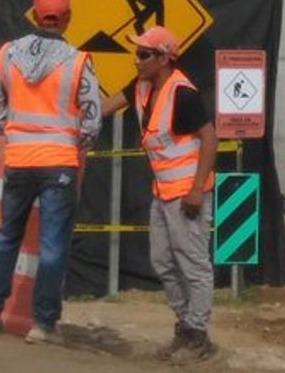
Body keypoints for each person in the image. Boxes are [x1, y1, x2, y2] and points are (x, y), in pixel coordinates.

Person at [0, 0, 102, 343]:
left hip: (18, 159)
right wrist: (76, 143)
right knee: (52, 245)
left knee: (5, 238)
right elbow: (92, 120)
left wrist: (16, 130)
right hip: (59, 163)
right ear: (67, 18)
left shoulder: (7, 54)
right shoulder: (78, 61)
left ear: (34, 13)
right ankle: (43, 324)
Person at [101, 25, 218, 362]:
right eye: (137, 53)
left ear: (165, 58)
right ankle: (186, 326)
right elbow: (107, 106)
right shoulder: (141, 88)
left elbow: (209, 139)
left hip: (187, 195)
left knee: (193, 265)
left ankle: (198, 335)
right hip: (163, 192)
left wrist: (196, 189)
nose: (136, 60)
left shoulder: (183, 94)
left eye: (143, 54)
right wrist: (73, 115)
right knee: (163, 262)